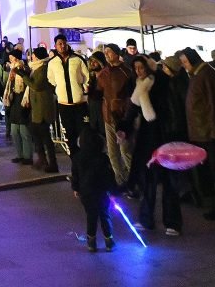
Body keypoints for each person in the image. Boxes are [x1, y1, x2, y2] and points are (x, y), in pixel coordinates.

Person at [123, 54, 182, 237]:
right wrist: (123, 129)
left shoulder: (162, 83)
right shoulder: (139, 88)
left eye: (141, 68)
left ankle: (172, 222)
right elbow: (131, 111)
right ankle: (146, 218)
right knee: (147, 180)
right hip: (148, 139)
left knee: (169, 182)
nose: (138, 71)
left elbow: (172, 109)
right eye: (136, 69)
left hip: (164, 136)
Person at [179, 47, 215, 220]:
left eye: (184, 62)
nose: (183, 66)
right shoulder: (200, 74)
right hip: (206, 132)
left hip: (212, 134)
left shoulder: (206, 75)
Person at [71, 115, 116, 252]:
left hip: (86, 192)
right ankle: (109, 241)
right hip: (102, 192)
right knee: (105, 215)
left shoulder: (77, 158)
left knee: (91, 216)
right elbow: (109, 176)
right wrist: (113, 190)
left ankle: (91, 242)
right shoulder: (103, 158)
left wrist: (76, 188)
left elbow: (75, 175)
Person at [48, 34, 92, 157]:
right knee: (70, 136)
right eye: (59, 44)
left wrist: (84, 88)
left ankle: (87, 160)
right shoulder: (52, 63)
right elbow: (51, 81)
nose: (62, 46)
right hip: (64, 105)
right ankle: (76, 164)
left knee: (84, 134)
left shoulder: (77, 59)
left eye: (63, 43)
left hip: (80, 104)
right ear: (55, 46)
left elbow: (86, 77)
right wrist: (58, 91)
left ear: (67, 43)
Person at [95, 44, 133, 183]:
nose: (106, 55)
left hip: (122, 116)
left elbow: (131, 94)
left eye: (109, 52)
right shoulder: (104, 73)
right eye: (105, 53)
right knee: (112, 152)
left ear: (117, 54)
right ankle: (120, 180)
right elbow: (99, 92)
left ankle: (133, 178)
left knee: (125, 150)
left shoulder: (126, 71)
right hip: (108, 116)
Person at [25, 46, 60, 172]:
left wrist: (24, 77)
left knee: (45, 137)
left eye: (33, 55)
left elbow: (36, 85)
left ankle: (52, 163)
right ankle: (42, 159)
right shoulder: (35, 68)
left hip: (43, 107)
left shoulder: (43, 68)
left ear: (38, 56)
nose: (31, 57)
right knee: (37, 135)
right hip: (36, 108)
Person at [3, 50, 33, 164]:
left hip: (22, 101)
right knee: (15, 131)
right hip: (14, 100)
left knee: (24, 131)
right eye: (10, 58)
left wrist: (17, 72)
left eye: (12, 57)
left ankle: (27, 156)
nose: (10, 60)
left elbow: (27, 83)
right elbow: (9, 86)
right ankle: (20, 154)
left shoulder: (24, 69)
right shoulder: (11, 70)